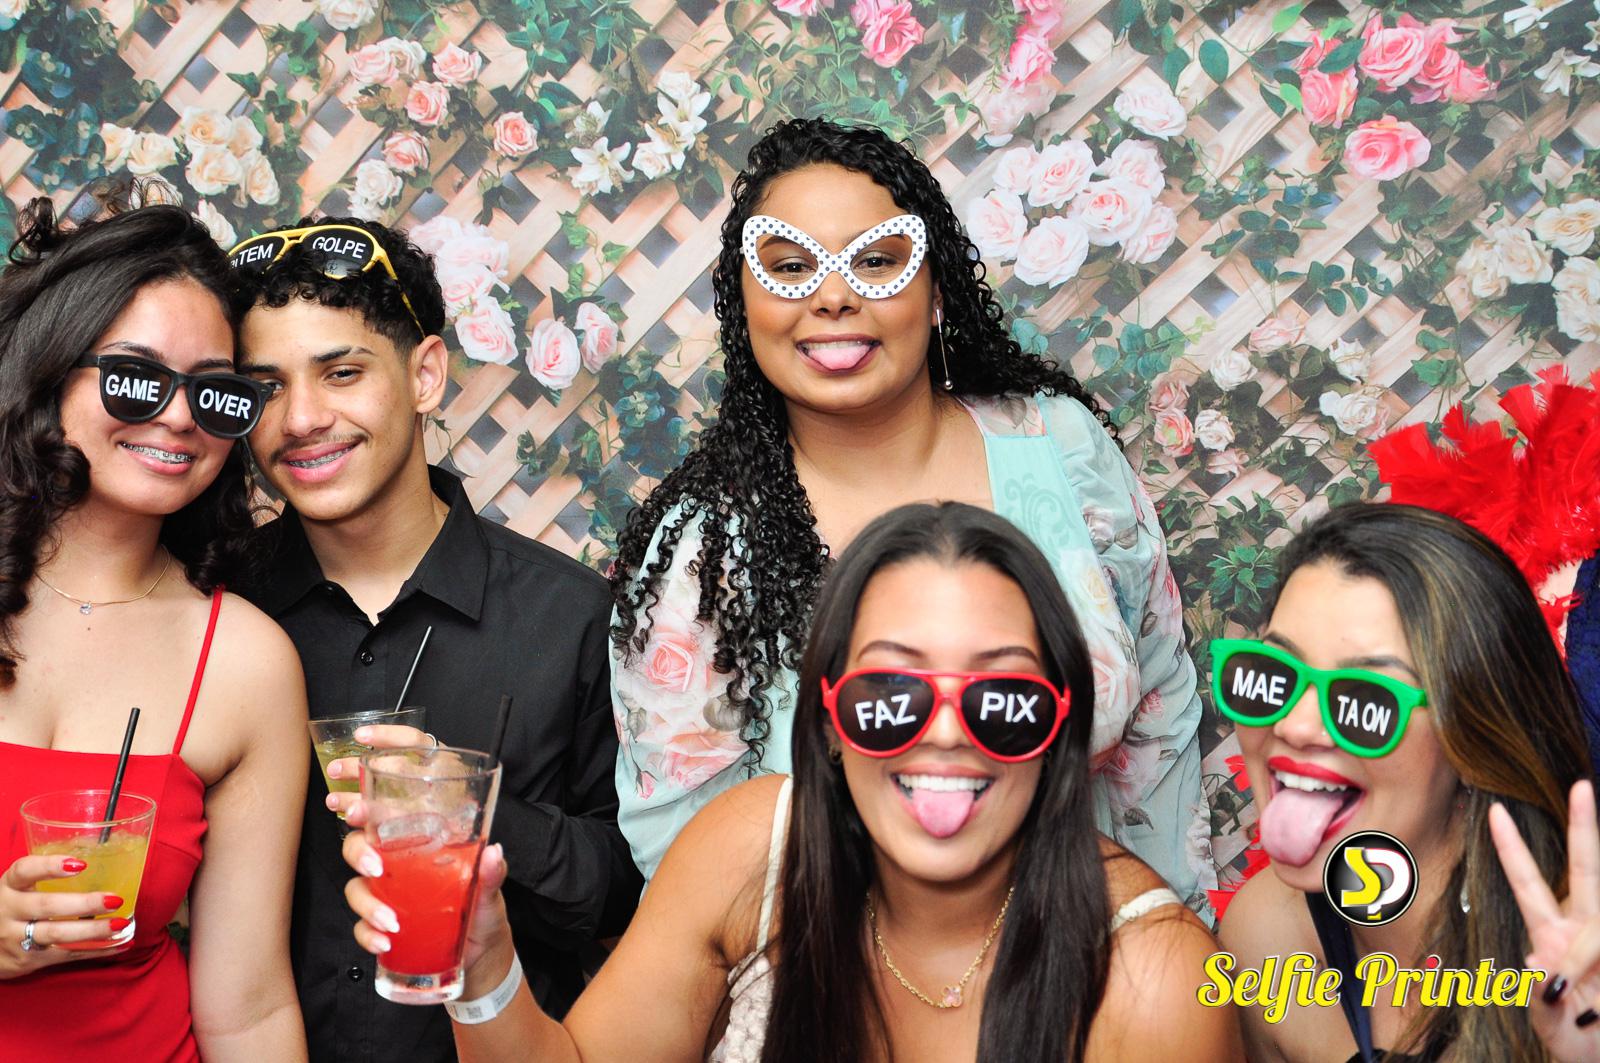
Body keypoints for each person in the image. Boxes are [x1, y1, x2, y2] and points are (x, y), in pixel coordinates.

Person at [342, 501, 1239, 1060]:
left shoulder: (1154, 978)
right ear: (830, 723)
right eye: (890, 695)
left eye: (1001, 699)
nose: (944, 734)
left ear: (1057, 727)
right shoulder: (751, 849)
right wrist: (484, 964)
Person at [610, 117, 1209, 908]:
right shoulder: (704, 551)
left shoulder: (1062, 449)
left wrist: (1164, 930)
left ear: (935, 293)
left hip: (1091, 945)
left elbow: (1159, 716)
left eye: (876, 261)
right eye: (790, 267)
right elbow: (684, 845)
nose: (833, 296)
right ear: (744, 305)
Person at [229, 216, 640, 1062]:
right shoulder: (220, 609)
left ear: (424, 374)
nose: (300, 418)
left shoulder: (568, 615)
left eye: (342, 372)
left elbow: (624, 897)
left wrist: (477, 813)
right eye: (265, 388)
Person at [0, 194, 308, 1058]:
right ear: (52, 369)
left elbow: (248, 1008)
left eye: (215, 393)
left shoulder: (246, 660)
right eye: (137, 377)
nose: (178, 416)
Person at [1217, 502, 1599, 1062]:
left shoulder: (1581, 951)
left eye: (1366, 698)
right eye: (1274, 674)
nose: (1293, 725)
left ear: (1473, 742)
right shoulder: (1265, 941)